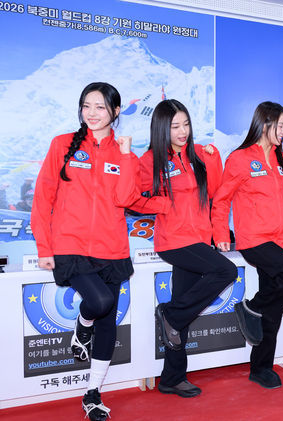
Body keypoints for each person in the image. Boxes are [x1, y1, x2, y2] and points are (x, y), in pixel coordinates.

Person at [31, 82, 143, 421]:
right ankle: (83, 324)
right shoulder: (63, 144)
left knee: (108, 322)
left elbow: (126, 199)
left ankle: (92, 393)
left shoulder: (125, 154)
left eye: (100, 107)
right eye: (86, 106)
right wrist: (44, 245)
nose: (92, 113)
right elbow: (43, 196)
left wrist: (126, 156)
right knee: (100, 302)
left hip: (112, 247)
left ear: (116, 111)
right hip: (71, 244)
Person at [128, 99, 240, 397]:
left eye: (186, 124)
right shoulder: (150, 160)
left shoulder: (200, 153)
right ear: (162, 128)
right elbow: (131, 198)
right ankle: (171, 315)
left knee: (180, 312)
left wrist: (213, 160)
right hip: (174, 241)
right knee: (226, 271)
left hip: (200, 239)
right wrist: (162, 205)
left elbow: (215, 191)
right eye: (175, 126)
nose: (182, 131)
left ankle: (172, 377)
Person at [213, 102, 283, 388]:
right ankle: (252, 307)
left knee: (273, 308)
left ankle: (260, 367)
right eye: (279, 125)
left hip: (278, 239)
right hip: (254, 239)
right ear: (264, 123)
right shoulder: (240, 158)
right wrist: (220, 232)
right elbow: (222, 199)